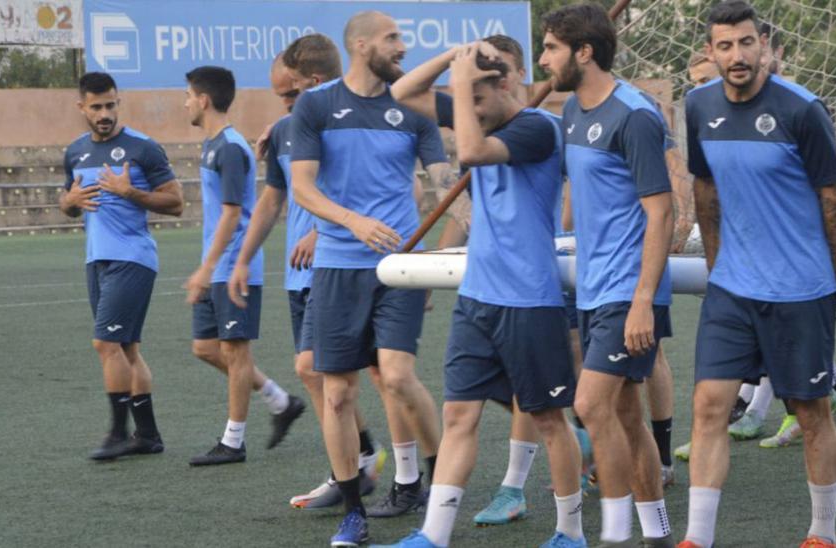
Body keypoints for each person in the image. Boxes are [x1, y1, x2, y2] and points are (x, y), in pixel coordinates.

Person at [374, 36, 587, 548]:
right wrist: (455, 61)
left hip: (529, 300)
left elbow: (469, 150)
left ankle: (570, 533)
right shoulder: (481, 108)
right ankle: (434, 535)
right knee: (457, 414)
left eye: (476, 99)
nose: (467, 111)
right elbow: (399, 93)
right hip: (477, 298)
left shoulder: (538, 128)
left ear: (507, 83)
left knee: (549, 420)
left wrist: (461, 92)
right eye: (464, 103)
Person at [678, 3, 836, 547]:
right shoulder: (697, 105)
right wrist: (716, 267)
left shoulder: (802, 109)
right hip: (732, 287)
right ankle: (697, 537)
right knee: (708, 406)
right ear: (711, 52)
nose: (737, 55)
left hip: (800, 289)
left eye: (746, 43)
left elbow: (833, 196)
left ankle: (822, 533)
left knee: (810, 414)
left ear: (764, 46)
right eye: (725, 46)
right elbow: (704, 189)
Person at [288, 11, 450, 546]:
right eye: (392, 39)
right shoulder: (315, 105)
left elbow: (445, 185)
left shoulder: (414, 111)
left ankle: (439, 488)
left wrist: (435, 252)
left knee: (399, 377)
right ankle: (353, 510)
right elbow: (304, 190)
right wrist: (352, 221)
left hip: (401, 268)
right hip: (338, 267)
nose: (401, 46)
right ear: (360, 46)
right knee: (337, 393)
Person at [539, 4, 675, 545]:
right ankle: (656, 530)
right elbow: (582, 197)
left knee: (590, 404)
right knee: (623, 414)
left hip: (628, 290)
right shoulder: (572, 110)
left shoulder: (636, 115)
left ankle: (616, 534)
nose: (543, 58)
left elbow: (663, 213)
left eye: (550, 47)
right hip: (593, 286)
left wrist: (644, 299)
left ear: (584, 52)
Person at [227, 47, 385, 508]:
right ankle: (360, 464)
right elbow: (274, 199)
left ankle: (399, 474)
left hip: (342, 265)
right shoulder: (285, 130)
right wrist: (243, 259)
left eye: (290, 93)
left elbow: (382, 187)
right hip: (301, 277)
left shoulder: (353, 121)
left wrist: (322, 229)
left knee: (369, 373)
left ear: (313, 82)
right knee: (323, 376)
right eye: (279, 96)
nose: (285, 103)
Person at [181, 65, 302, 466]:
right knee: (205, 348)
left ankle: (233, 442)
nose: (185, 103)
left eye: (188, 95)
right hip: (215, 267)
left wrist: (208, 266)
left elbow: (233, 214)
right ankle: (280, 400)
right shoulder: (211, 144)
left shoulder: (231, 147)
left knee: (234, 352)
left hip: (234, 268)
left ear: (203, 99)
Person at [61, 72, 182, 461]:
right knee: (127, 349)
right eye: (96, 107)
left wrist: (130, 192)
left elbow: (176, 201)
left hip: (132, 257)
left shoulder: (143, 148)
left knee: (106, 343)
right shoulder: (75, 151)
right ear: (82, 107)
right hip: (96, 258)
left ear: (118, 102)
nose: (104, 113)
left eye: (110, 105)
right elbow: (67, 203)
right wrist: (69, 202)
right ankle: (148, 436)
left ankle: (117, 432)